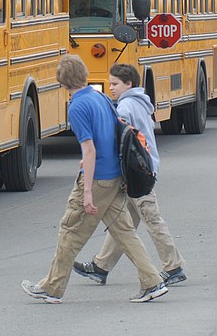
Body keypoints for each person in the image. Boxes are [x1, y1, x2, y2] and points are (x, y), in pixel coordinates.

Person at [21, 55, 167, 304]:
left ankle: (53, 288)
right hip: (115, 175)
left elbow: (89, 150)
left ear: (61, 81)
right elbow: (115, 132)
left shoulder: (77, 106)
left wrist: (86, 191)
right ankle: (152, 281)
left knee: (70, 231)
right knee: (124, 232)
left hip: (98, 178)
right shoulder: (100, 97)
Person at [73, 63, 187, 286]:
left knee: (151, 220)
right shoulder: (140, 103)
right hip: (144, 168)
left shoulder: (125, 108)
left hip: (136, 173)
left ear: (129, 84)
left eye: (115, 84)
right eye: (110, 83)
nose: (111, 88)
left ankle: (173, 266)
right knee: (122, 222)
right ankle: (101, 266)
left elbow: (117, 140)